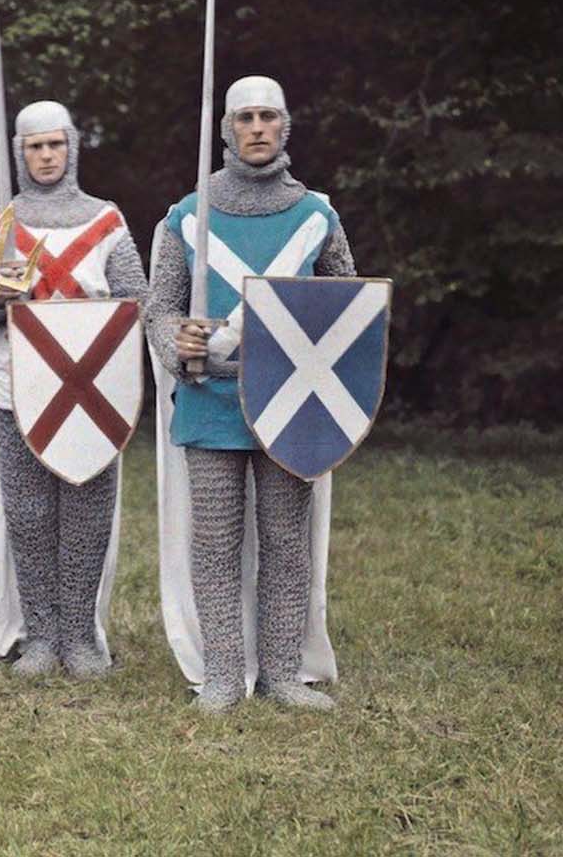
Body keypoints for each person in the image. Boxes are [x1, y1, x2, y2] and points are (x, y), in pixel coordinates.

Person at [145, 75, 355, 713]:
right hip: (212, 400)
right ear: (227, 129)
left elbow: (346, 305)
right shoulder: (187, 215)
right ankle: (222, 675)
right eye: (245, 118)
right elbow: (159, 308)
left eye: (268, 116)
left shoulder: (317, 213)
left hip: (292, 405)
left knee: (287, 542)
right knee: (213, 543)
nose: (257, 128)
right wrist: (175, 340)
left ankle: (285, 674)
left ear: (284, 125)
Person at [0, 101, 147, 678]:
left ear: (72, 148)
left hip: (92, 390)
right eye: (35, 147)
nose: (46, 156)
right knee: (30, 514)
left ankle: (80, 636)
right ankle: (40, 636)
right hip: (22, 389)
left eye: (55, 145)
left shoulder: (105, 222)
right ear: (20, 152)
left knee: (86, 511)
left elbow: (135, 298)